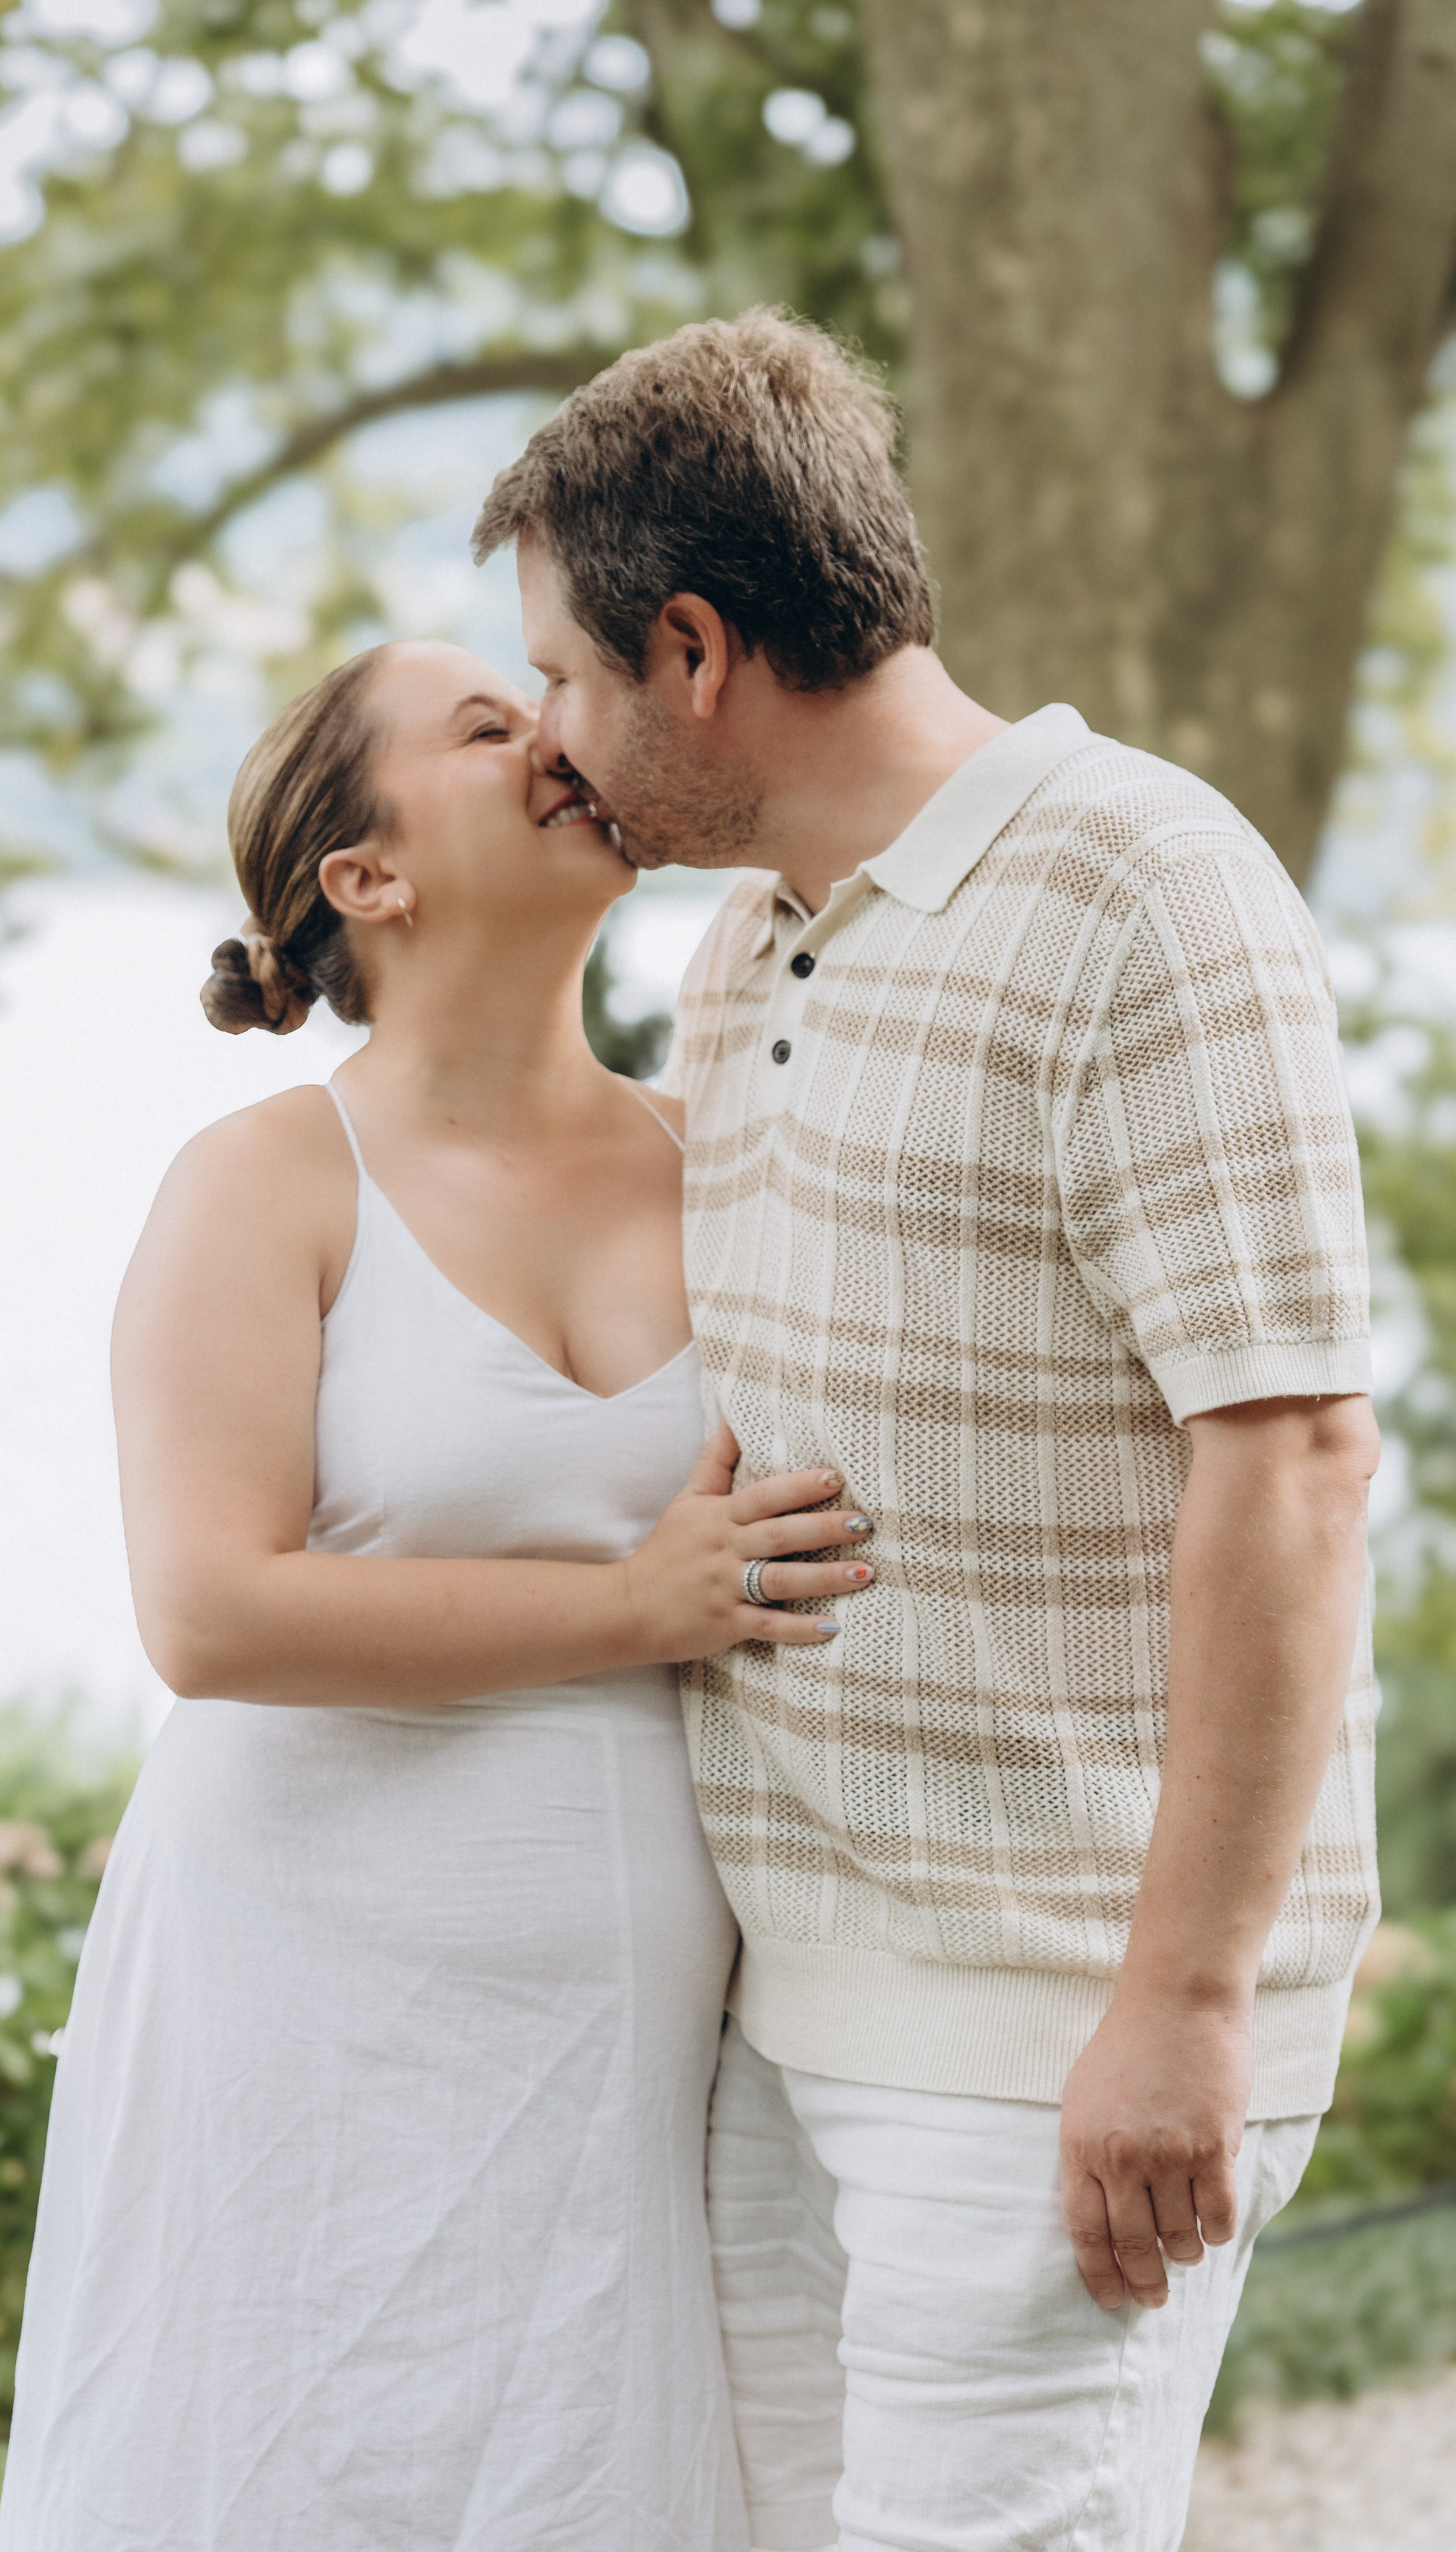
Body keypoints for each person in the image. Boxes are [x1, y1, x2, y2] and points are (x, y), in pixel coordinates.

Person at [475, 309, 1382, 2552]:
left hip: (1051, 2016)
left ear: (694, 647)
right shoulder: (746, 949)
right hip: (790, 2001)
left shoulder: (1139, 890)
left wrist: (1179, 2005)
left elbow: (1294, 1462)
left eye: (572, 680)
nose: (556, 745)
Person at [0, 638, 877, 2552]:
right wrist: (638, 1608)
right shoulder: (264, 1183)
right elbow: (213, 1615)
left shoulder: (722, 1158)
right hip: (297, 1979)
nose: (559, 734)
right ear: (365, 879)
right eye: (489, 729)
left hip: (618, 2022)